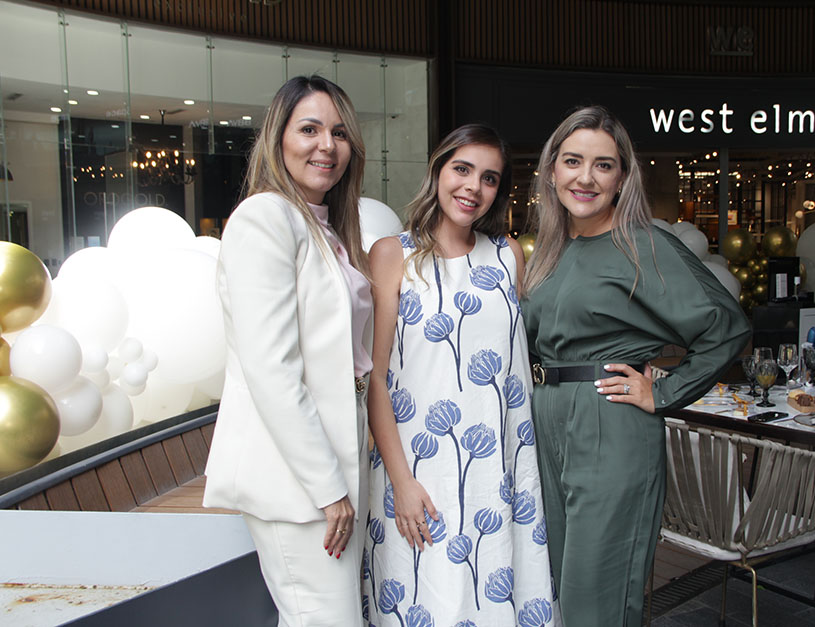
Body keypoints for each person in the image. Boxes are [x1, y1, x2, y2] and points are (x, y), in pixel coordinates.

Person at [522, 105, 751, 626]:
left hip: (610, 422)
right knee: (556, 586)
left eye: (603, 165)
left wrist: (664, 393)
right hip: (548, 424)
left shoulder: (644, 244)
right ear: (552, 169)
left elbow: (727, 327)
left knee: (594, 600)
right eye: (573, 161)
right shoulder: (551, 252)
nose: (585, 177)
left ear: (622, 177)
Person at [364, 124, 558, 626]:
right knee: (427, 598)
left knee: (494, 591)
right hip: (420, 469)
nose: (473, 186)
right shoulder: (392, 254)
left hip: (500, 470)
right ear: (438, 170)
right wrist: (402, 483)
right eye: (462, 169)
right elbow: (377, 379)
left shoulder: (507, 254)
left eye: (489, 177)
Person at [203, 75, 372, 626]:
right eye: (310, 129)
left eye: (339, 133)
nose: (327, 145)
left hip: (334, 470)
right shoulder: (265, 218)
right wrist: (328, 489)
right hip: (298, 483)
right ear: (278, 139)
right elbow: (270, 369)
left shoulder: (325, 227)